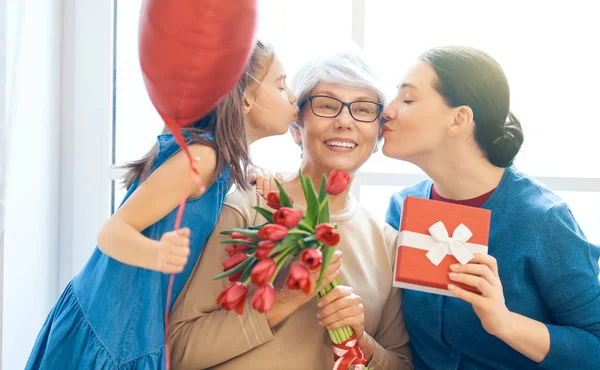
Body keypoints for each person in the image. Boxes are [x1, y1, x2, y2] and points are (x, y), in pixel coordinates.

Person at [26, 40, 298, 370]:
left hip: (134, 337)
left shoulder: (218, 162)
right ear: (247, 99)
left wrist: (254, 174)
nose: (293, 97)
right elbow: (112, 233)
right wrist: (156, 254)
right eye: (282, 85)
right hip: (108, 336)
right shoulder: (202, 158)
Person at [168, 51, 413, 370]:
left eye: (364, 110)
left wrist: (361, 341)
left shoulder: (388, 243)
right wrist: (284, 301)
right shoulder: (247, 208)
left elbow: (403, 363)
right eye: (326, 105)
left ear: (378, 136)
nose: (345, 121)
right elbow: (177, 348)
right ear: (297, 127)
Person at [383, 45, 600, 369]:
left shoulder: (542, 221)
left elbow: (595, 348)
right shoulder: (402, 209)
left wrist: (504, 322)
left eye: (408, 99)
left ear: (459, 119)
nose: (387, 111)